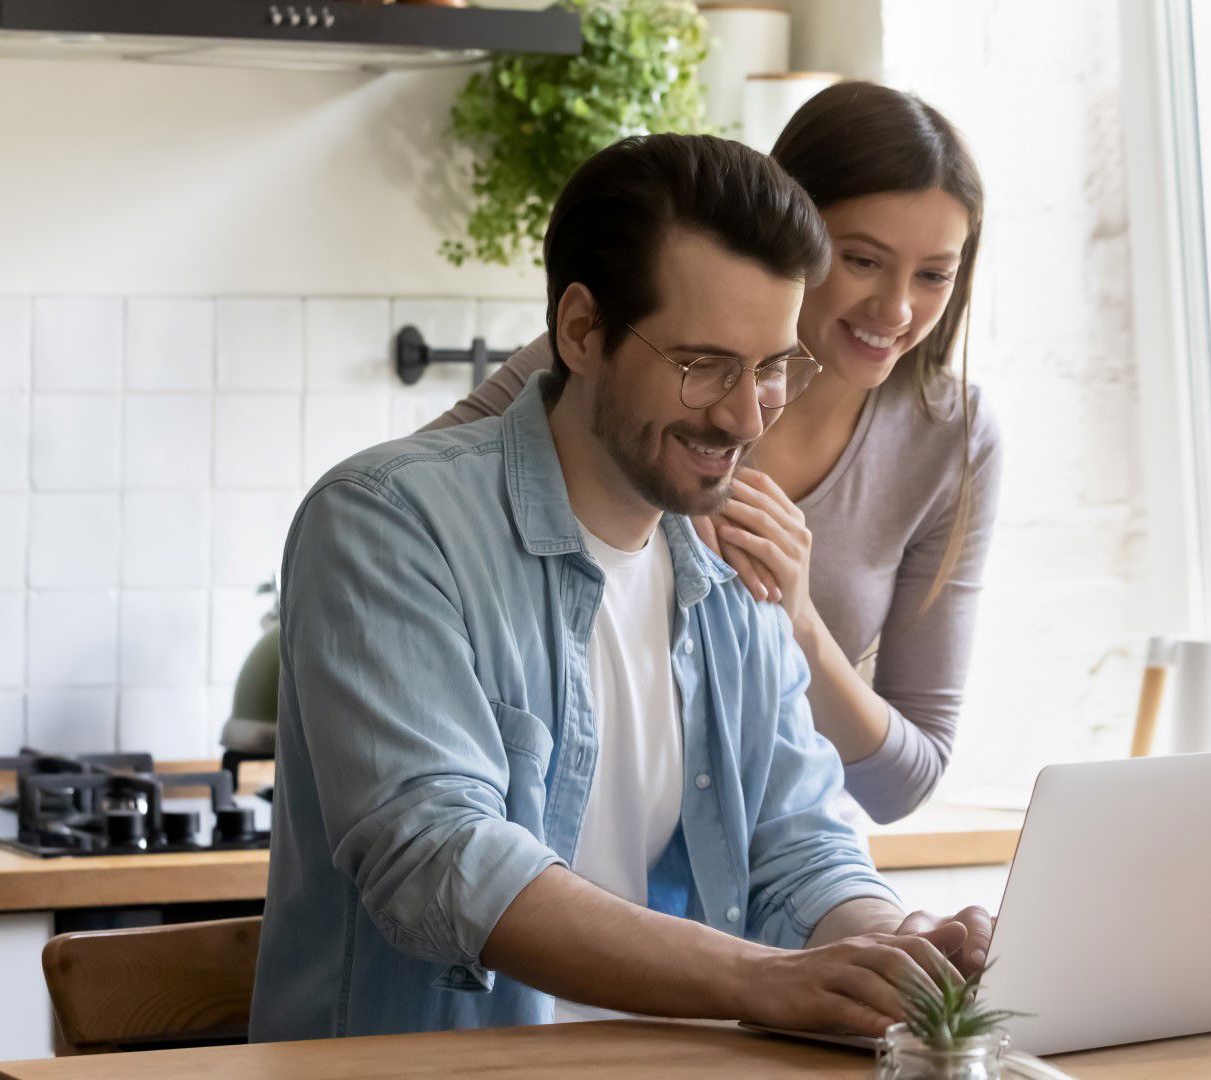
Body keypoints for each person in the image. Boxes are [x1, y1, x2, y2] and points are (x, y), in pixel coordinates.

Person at [251, 133, 993, 1043]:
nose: (746, 415)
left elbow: (801, 844)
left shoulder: (733, 564)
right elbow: (442, 859)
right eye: (704, 366)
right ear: (580, 330)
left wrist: (889, 952)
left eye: (771, 368)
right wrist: (765, 981)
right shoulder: (385, 522)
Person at [428, 82, 1003, 823]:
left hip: (767, 876)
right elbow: (403, 509)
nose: (895, 311)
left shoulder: (951, 440)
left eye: (933, 275)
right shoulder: (621, 361)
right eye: (861, 261)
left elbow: (901, 783)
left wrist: (798, 620)